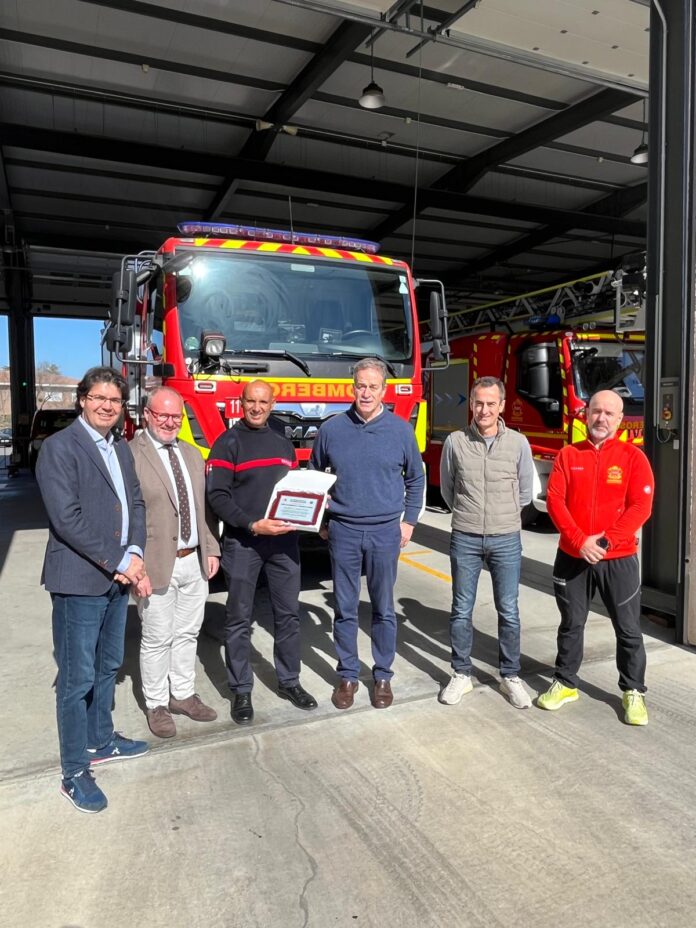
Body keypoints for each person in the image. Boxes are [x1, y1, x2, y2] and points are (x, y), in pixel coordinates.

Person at [36, 366, 149, 814]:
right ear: (82, 399)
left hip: (117, 578)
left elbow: (134, 502)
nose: (107, 406)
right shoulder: (60, 448)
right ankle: (73, 772)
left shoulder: (118, 447)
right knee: (76, 679)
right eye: (99, 398)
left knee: (107, 666)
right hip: (79, 580)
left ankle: (101, 740)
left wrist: (134, 552)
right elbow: (67, 519)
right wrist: (121, 561)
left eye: (115, 400)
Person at [309, 357, 425, 710]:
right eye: (361, 386)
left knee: (383, 608)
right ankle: (347, 675)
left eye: (373, 387)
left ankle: (383, 675)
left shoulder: (400, 431)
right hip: (343, 531)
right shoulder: (332, 430)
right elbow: (315, 477)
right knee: (344, 608)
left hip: (385, 532)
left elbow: (415, 478)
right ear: (353, 387)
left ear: (383, 390)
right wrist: (321, 521)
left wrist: (409, 521)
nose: (366, 393)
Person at [539, 389, 654, 725]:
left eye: (609, 413)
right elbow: (555, 501)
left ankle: (633, 690)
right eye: (596, 411)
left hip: (618, 558)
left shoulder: (633, 458)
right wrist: (579, 541)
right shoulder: (568, 455)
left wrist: (603, 542)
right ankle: (565, 683)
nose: (601, 418)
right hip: (572, 557)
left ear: (620, 420)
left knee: (628, 628)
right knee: (571, 624)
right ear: (586, 414)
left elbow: (640, 507)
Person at [206, 379, 317, 724]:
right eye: (251, 401)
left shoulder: (282, 442)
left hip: (284, 543)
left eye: (263, 402)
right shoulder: (227, 443)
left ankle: (289, 681)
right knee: (239, 618)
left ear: (273, 404)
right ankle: (241, 689)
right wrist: (252, 524)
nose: (257, 408)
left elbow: (294, 489)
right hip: (244, 543)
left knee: (288, 615)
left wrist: (310, 512)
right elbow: (217, 496)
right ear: (241, 403)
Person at [129, 387, 221, 739]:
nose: (170, 422)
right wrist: (134, 564)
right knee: (157, 638)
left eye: (176, 416)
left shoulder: (192, 453)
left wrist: (211, 548)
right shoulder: (130, 454)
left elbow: (203, 508)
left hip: (193, 561)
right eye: (162, 415)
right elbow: (125, 515)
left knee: (187, 632)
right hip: (154, 563)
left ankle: (182, 694)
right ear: (147, 414)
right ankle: (156, 704)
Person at [439, 376, 535, 710]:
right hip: (465, 536)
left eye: (491, 404)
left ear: (502, 406)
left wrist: (502, 515)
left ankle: (510, 675)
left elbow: (525, 491)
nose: (484, 410)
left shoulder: (518, 443)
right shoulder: (455, 442)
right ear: (471, 404)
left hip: (506, 538)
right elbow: (448, 489)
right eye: (479, 403)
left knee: (508, 610)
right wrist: (468, 514)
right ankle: (461, 673)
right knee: (461, 609)